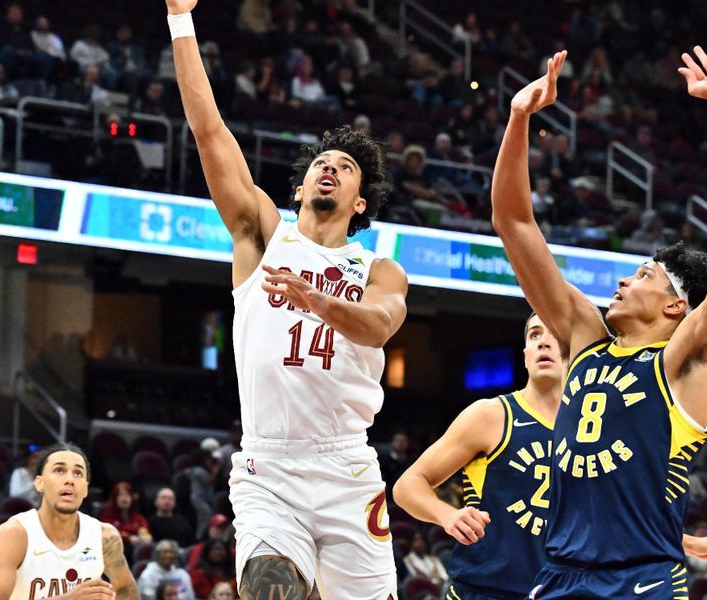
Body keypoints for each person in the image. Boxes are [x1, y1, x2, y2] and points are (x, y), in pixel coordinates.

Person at [165, 1, 408, 598]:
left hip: (348, 468)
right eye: (321, 163)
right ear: (299, 186)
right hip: (269, 465)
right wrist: (181, 19)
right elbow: (208, 131)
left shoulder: (380, 268)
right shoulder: (262, 234)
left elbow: (378, 326)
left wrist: (315, 300)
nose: (329, 169)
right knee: (268, 588)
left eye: (345, 167)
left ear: (359, 202)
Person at [490, 46, 707, 599]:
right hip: (558, 575)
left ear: (675, 307)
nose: (622, 283)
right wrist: (519, 119)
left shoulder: (686, 357)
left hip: (640, 578)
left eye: (643, 275)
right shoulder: (585, 340)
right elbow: (514, 222)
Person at [394, 314, 564, 599]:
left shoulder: (592, 427)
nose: (543, 342)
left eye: (555, 335)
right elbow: (407, 485)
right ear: (525, 355)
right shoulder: (490, 415)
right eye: (534, 335)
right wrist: (447, 515)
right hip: (484, 590)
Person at [0, 442, 138, 599]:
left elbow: (125, 589)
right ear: (39, 483)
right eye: (59, 470)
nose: (70, 480)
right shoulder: (14, 535)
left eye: (78, 473)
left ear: (86, 488)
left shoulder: (104, 536)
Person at [98, 481, 152, 550]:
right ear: (115, 498)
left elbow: (144, 528)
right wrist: (129, 538)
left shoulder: (137, 517)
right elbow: (110, 533)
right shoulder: (105, 514)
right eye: (120, 495)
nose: (124, 499)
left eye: (127, 495)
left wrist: (145, 536)